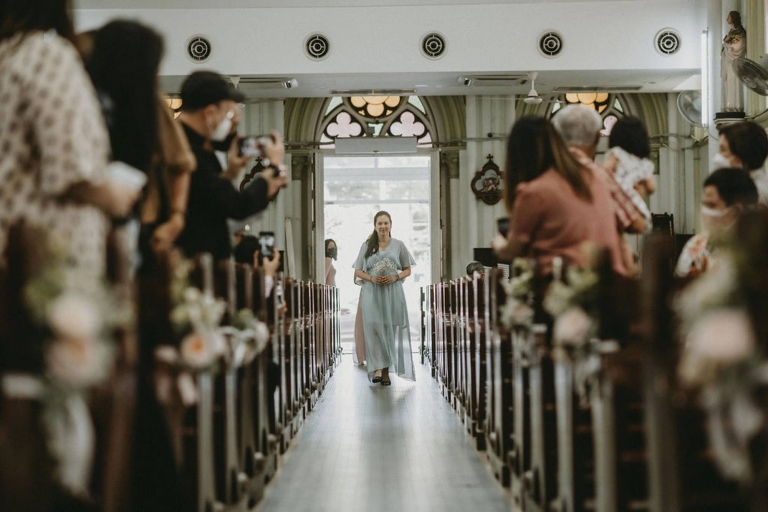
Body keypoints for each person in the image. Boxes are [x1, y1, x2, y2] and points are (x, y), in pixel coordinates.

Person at [0, 0, 140, 506]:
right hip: (42, 274)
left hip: (10, 266)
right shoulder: (43, 53)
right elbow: (74, 172)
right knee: (55, 435)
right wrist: (118, 194)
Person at [492, 116, 626, 276]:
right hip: (610, 280)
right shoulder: (596, 177)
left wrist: (498, 244)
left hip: (564, 285)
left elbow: (513, 250)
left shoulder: (534, 192)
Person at [175, 70, 288, 261]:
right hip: (189, 258)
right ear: (209, 113)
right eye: (230, 120)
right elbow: (235, 207)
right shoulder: (183, 149)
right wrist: (273, 169)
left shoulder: (196, 146)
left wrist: (230, 173)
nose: (231, 131)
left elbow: (209, 197)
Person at [353, 211, 416, 385]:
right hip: (372, 292)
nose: (383, 226)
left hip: (393, 292)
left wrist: (396, 277)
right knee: (374, 330)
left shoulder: (399, 245)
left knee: (389, 329)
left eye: (386, 223)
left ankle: (386, 371)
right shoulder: (367, 245)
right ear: (374, 226)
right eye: (379, 223)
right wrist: (371, 278)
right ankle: (377, 369)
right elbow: (358, 270)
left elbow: (407, 269)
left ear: (391, 225)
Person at [675, 167, 758, 278]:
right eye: (704, 205)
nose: (704, 213)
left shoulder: (759, 252)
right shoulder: (697, 246)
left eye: (711, 206)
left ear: (735, 211)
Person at [603, 117, 656, 226]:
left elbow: (604, 172)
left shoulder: (616, 153)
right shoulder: (645, 163)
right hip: (635, 201)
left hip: (617, 198)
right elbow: (651, 188)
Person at [716, 121, 768, 205]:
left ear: (741, 152)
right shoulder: (739, 185)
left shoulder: (755, 193)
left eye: (723, 150)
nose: (718, 155)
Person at [721, 11, 746, 113]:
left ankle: (734, 106)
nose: (727, 19)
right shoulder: (732, 31)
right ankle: (728, 105)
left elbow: (737, 48)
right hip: (728, 61)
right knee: (728, 84)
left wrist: (727, 45)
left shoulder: (739, 32)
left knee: (734, 83)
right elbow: (727, 41)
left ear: (733, 19)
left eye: (729, 17)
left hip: (734, 61)